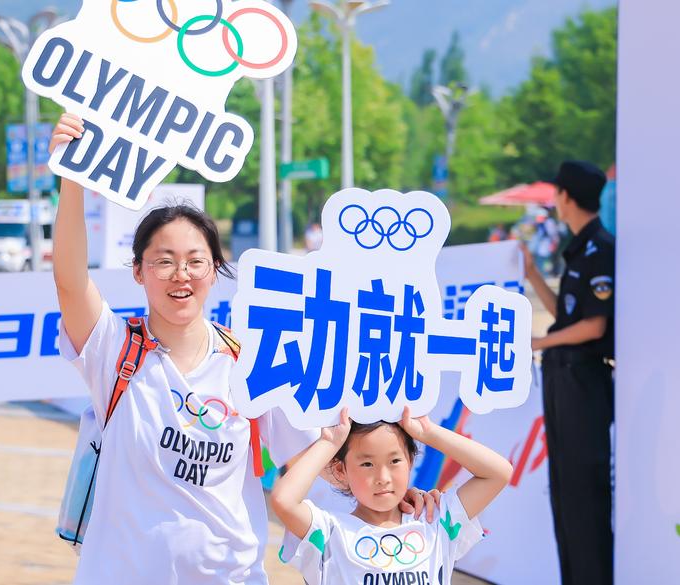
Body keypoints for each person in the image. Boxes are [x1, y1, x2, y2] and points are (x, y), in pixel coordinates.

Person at [48, 114, 437, 584]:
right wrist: (70, 178)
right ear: (138, 271)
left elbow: (318, 451)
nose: (181, 275)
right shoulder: (115, 350)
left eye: (196, 261)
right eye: (164, 262)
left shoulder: (250, 363)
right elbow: (70, 283)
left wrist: (391, 489)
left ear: (215, 270)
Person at [270, 406, 512, 584]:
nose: (382, 477)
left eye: (395, 460)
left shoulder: (435, 521)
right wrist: (330, 443)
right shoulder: (330, 532)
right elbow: (284, 500)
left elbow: (498, 473)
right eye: (367, 464)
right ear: (341, 470)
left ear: (410, 461)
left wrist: (429, 432)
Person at [521, 160, 614, 585]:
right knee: (563, 490)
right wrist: (533, 276)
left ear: (565, 197)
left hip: (583, 383)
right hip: (563, 380)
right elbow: (566, 316)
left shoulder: (601, 249)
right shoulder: (579, 249)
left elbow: (594, 326)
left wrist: (537, 343)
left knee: (583, 493)